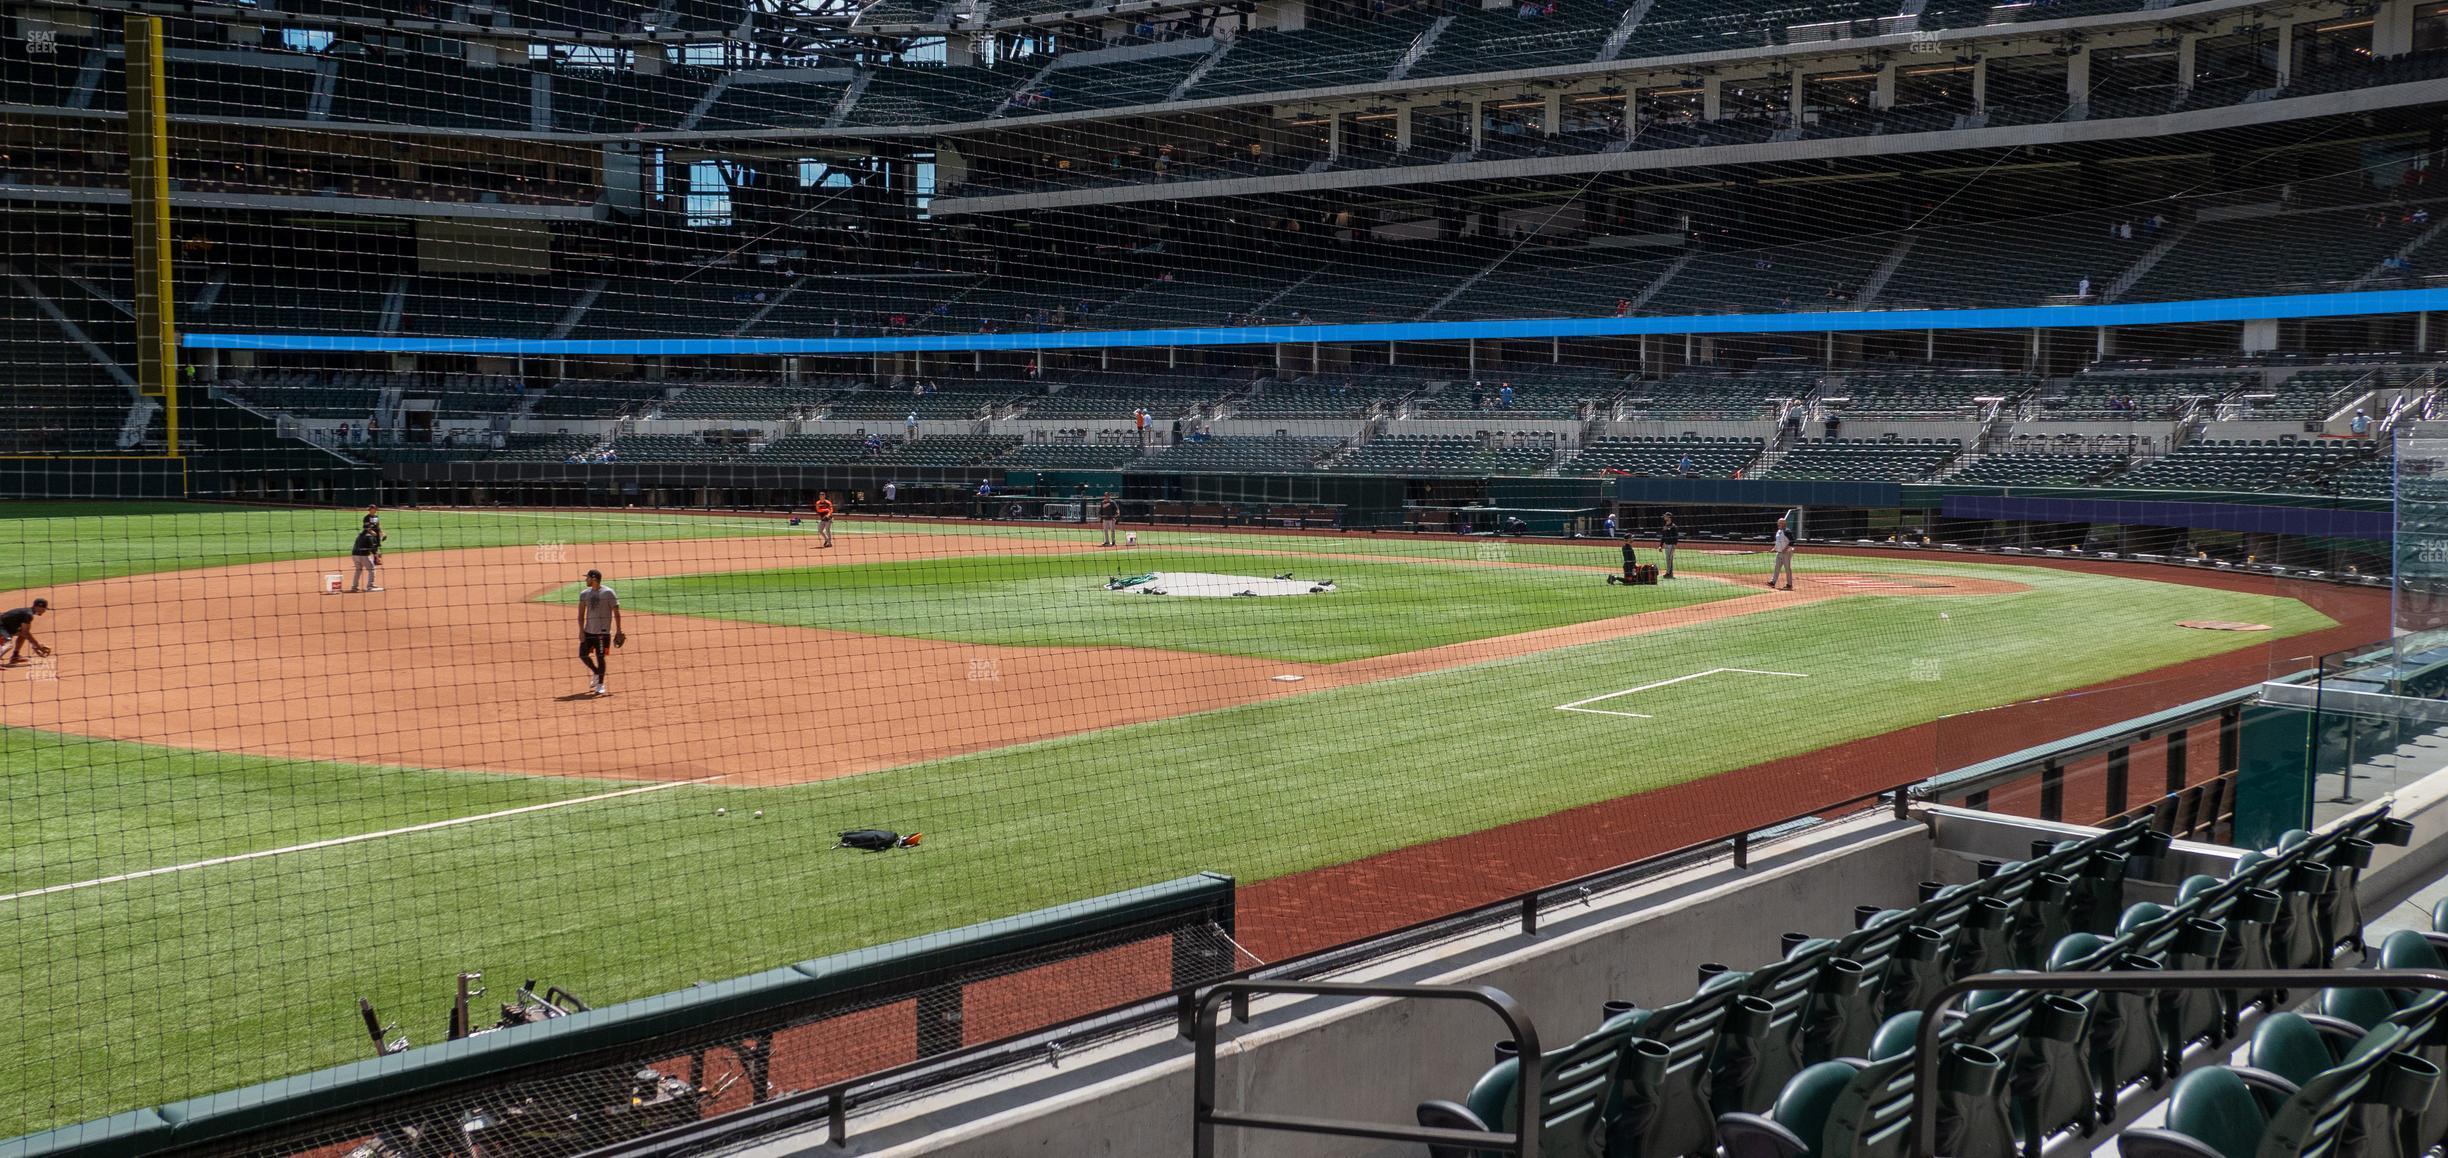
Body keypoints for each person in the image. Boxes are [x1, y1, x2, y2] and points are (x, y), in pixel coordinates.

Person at [577, 569, 624, 697]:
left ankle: (600, 684)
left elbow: (616, 613)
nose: (586, 580)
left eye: (587, 578)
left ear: (594, 579)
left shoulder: (608, 593)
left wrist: (619, 630)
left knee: (600, 658)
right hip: (588, 631)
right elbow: (580, 615)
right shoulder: (584, 594)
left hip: (603, 633)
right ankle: (596, 672)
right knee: (582, 655)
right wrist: (581, 631)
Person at [0, 598, 51, 665]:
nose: (44, 611)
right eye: (44, 609)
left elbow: (24, 633)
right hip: (2, 627)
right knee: (8, 645)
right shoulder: (28, 614)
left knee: (22, 635)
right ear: (38, 607)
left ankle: (15, 656)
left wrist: (35, 645)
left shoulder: (28, 613)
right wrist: (37, 646)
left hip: (7, 627)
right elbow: (26, 632)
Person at [348, 517, 383, 592]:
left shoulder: (360, 535)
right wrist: (376, 556)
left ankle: (354, 587)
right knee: (372, 569)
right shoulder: (369, 536)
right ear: (370, 529)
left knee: (358, 570)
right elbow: (372, 548)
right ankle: (370, 586)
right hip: (363, 555)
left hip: (354, 555)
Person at [1769, 517, 1796, 591]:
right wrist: (1774, 548)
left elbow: (1792, 541)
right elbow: (1778, 542)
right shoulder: (1778, 531)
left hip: (1786, 553)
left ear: (1784, 524)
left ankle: (1789, 584)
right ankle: (1773, 582)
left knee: (1787, 568)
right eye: (1778, 522)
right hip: (1779, 552)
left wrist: (1785, 549)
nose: (1778, 524)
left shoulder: (1787, 531)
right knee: (1776, 567)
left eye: (1780, 522)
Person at [1659, 512, 1680, 579]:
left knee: (1669, 559)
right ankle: (1669, 573)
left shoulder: (1674, 526)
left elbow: (1676, 537)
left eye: (1665, 516)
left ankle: (1669, 573)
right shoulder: (1665, 526)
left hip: (1671, 545)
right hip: (1666, 545)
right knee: (1668, 559)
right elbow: (1663, 537)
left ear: (1669, 517)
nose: (1664, 517)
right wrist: (1661, 545)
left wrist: (1674, 545)